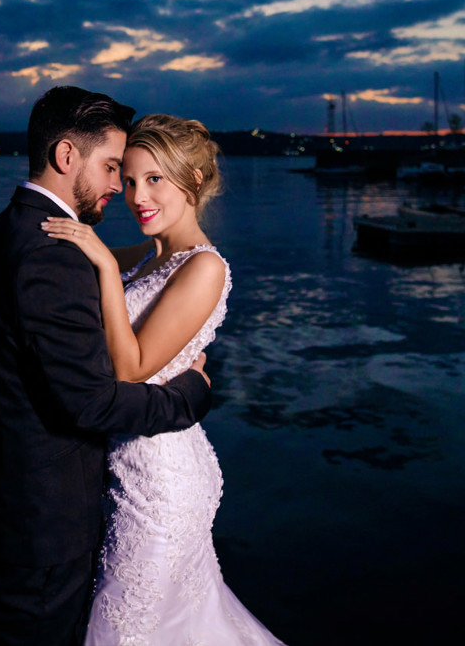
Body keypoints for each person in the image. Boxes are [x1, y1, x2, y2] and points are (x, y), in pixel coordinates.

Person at [0, 87, 214, 646]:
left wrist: (99, 255)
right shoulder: (53, 251)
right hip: (42, 520)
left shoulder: (11, 228)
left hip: (29, 503)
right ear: (67, 156)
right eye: (114, 169)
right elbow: (91, 401)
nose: (119, 189)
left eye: (140, 175)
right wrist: (191, 396)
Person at [43, 114, 285, 645]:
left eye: (155, 178)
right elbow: (83, 269)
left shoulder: (204, 268)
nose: (136, 196)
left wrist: (105, 270)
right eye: (128, 180)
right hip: (127, 471)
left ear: (193, 181)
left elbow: (132, 369)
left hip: (164, 484)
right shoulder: (148, 258)